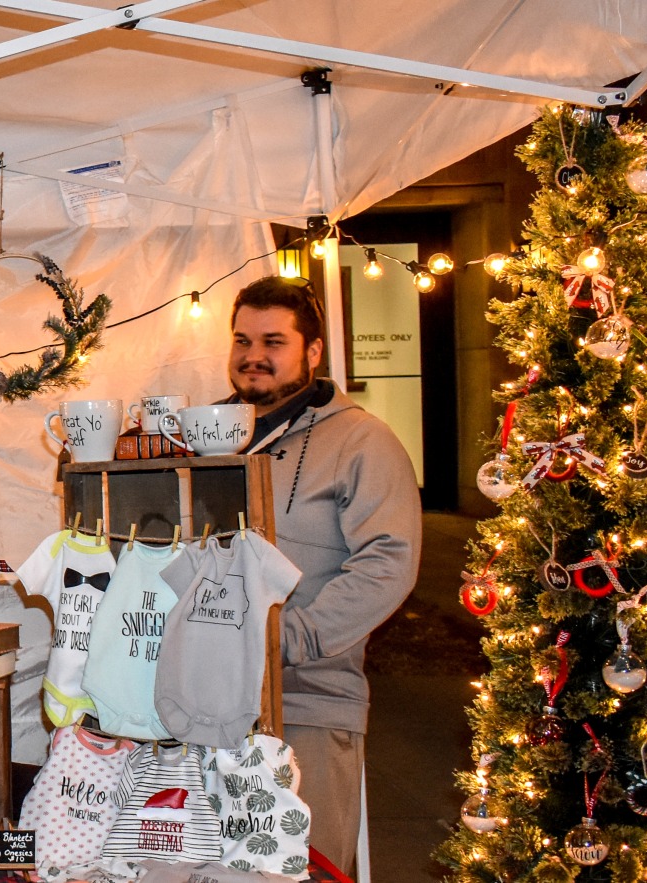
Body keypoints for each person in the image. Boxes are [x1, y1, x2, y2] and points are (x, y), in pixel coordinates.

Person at [221, 276, 421, 876]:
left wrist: (291, 639)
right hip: (208, 706)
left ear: (313, 352)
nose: (253, 355)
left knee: (304, 867)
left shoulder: (363, 441)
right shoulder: (208, 435)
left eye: (273, 341)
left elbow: (389, 561)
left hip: (308, 703)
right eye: (242, 339)